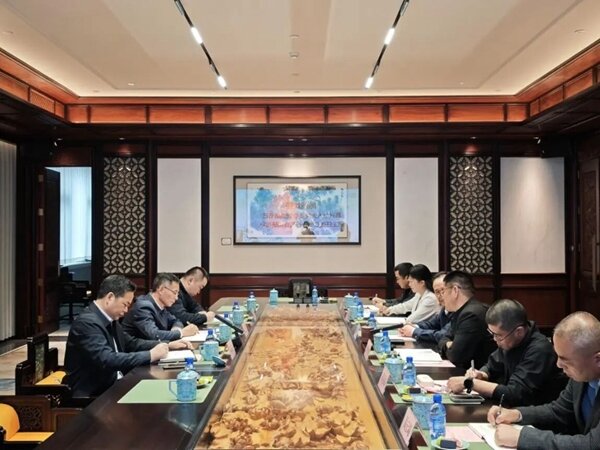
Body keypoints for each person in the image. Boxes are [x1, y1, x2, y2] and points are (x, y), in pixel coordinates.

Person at [63, 275, 192, 397]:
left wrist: (167, 345)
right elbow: (107, 359)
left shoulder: (109, 319)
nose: (126, 311)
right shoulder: (87, 323)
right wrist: (150, 355)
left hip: (114, 383)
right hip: (94, 393)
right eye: (125, 305)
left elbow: (131, 343)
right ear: (110, 298)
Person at [488, 311, 600, 449]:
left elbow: (593, 444)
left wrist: (522, 438)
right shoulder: (582, 373)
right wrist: (517, 414)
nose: (558, 365)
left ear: (598, 359)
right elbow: (559, 411)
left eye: (566, 360)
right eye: (558, 356)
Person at [447, 299, 567, 406]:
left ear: (519, 332)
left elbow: (515, 393)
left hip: (535, 414)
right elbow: (491, 366)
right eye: (492, 333)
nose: (495, 339)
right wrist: (481, 374)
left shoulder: (539, 350)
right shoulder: (510, 340)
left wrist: (470, 383)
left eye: (498, 335)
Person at [438, 270, 495, 370]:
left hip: (481, 374)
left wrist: (450, 345)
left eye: (443, 291)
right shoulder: (462, 312)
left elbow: (456, 356)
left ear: (455, 290)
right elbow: (443, 338)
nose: (442, 296)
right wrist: (448, 344)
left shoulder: (471, 315)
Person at [122, 273, 199, 341]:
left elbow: (176, 321)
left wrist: (175, 330)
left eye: (177, 294)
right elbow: (154, 334)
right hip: (136, 351)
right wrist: (181, 333)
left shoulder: (161, 306)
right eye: (174, 292)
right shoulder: (143, 306)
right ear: (161, 290)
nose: (176, 298)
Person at [399, 271, 452, 345]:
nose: (441, 295)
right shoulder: (445, 308)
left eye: (443, 290)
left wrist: (413, 331)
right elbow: (431, 324)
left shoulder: (459, 311)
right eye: (437, 292)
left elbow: (442, 335)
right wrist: (415, 326)